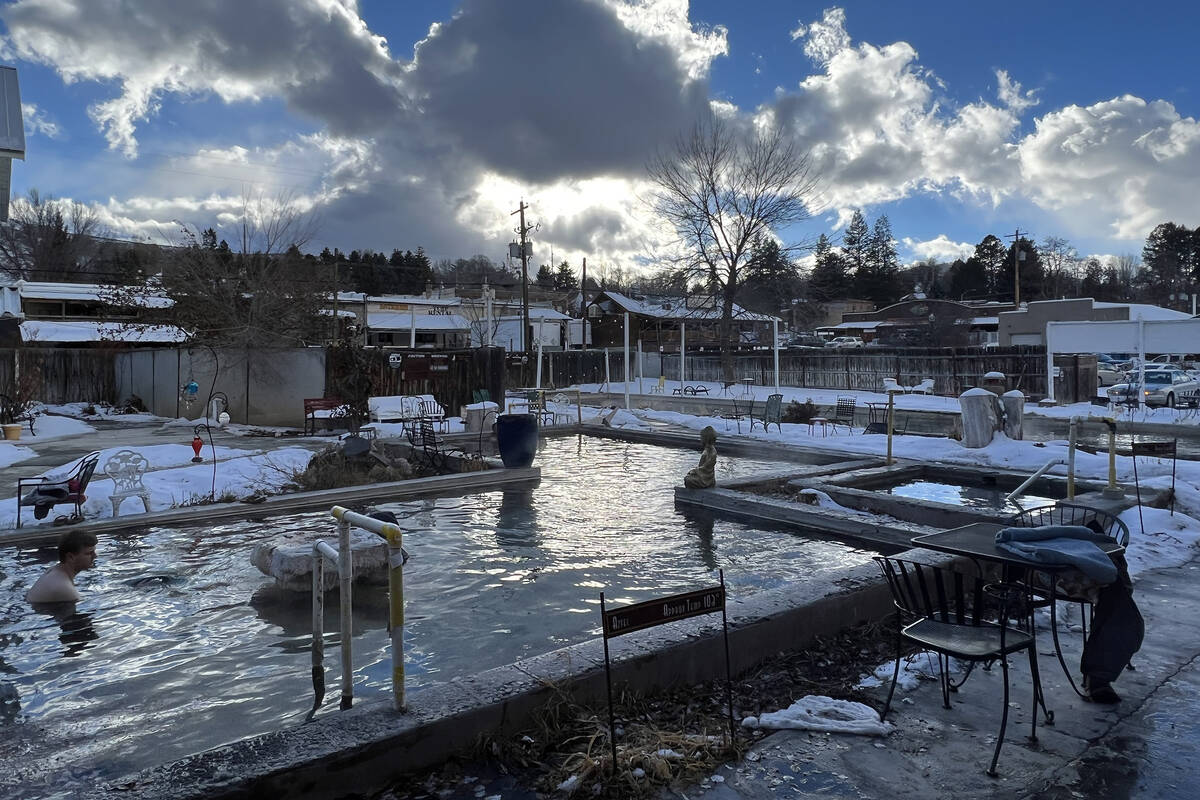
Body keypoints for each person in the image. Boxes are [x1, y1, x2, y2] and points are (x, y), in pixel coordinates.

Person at [25, 530, 98, 604]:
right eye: (89, 553)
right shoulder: (65, 588)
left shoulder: (55, 571)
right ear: (71, 557)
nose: (95, 556)